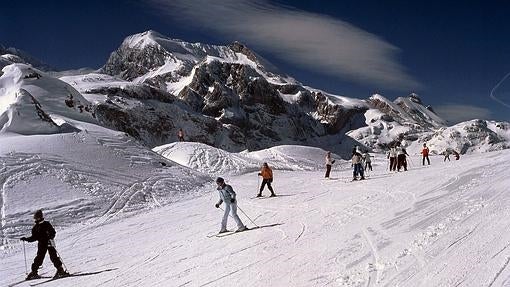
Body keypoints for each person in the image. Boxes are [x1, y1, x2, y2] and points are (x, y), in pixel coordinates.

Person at [20, 210, 69, 280]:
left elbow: (53, 232)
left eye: (38, 217)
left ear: (41, 217)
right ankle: (34, 272)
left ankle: (60, 270)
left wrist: (50, 237)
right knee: (39, 258)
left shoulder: (46, 224)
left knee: (53, 256)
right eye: (36, 218)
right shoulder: (35, 227)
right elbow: (34, 237)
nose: (37, 219)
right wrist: (26, 239)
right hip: (42, 244)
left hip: (49, 242)